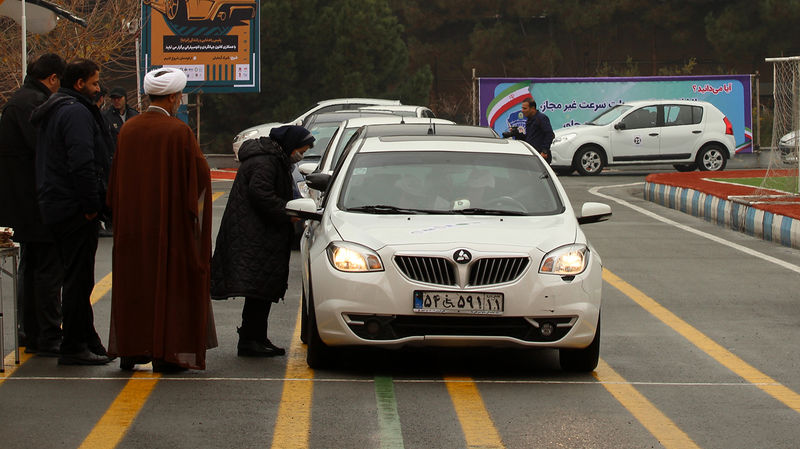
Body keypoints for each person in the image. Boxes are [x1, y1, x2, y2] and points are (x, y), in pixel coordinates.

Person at [106, 67, 217, 373]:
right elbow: (199, 177)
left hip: (132, 226)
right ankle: (166, 354)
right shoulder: (178, 132)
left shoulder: (128, 129)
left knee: (135, 286)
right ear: (172, 97)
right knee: (170, 287)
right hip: (169, 227)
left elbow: (115, 182)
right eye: (179, 96)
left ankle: (131, 350)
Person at [30, 58, 112, 365]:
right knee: (78, 281)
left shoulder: (56, 108)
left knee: (76, 277)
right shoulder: (76, 112)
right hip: (73, 208)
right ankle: (75, 345)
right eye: (94, 83)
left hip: (56, 203)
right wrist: (92, 207)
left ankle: (86, 337)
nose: (98, 88)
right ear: (79, 84)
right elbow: (82, 162)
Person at [210, 125, 314, 357]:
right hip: (254, 234)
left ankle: (255, 336)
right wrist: (286, 212)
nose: (301, 155)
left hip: (259, 233)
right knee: (257, 288)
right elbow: (261, 194)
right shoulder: (266, 162)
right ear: (290, 145)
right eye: (301, 150)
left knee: (260, 288)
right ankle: (250, 339)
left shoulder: (273, 158)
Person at [0, 53, 66, 356]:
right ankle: (46, 334)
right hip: (36, 200)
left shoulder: (21, 99)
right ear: (52, 78)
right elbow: (45, 151)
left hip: (22, 201)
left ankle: (30, 331)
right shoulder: (34, 104)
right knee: (45, 269)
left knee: (31, 266)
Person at [506, 98, 555, 164]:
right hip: (532, 154)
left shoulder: (541, 118)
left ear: (532, 108)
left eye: (525, 108)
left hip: (541, 155)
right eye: (522, 108)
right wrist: (516, 134)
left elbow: (550, 134)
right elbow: (529, 138)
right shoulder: (529, 120)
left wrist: (544, 151)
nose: (522, 111)